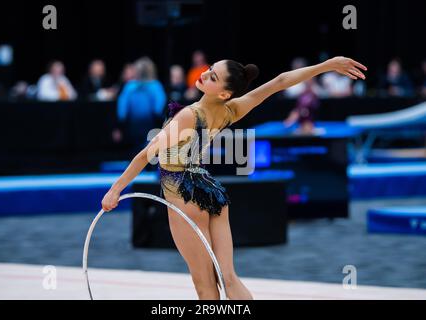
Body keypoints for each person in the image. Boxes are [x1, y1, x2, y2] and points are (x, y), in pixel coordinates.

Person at [101, 56, 367, 300]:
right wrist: (325, 65)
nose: (205, 75)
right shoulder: (230, 110)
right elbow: (278, 83)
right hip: (211, 193)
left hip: (183, 196)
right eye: (209, 70)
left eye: (213, 77)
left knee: (205, 285)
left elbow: (146, 155)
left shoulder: (187, 116)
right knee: (228, 279)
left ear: (225, 93)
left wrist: (115, 190)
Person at [114, 57, 166, 155]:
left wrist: (120, 125)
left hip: (135, 125)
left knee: (137, 151)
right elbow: (158, 108)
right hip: (150, 124)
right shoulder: (155, 85)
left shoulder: (130, 86)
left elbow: (122, 111)